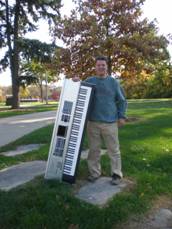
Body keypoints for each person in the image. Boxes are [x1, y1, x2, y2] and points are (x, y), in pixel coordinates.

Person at [73, 56, 127, 185]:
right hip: (93, 122)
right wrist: (76, 82)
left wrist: (122, 116)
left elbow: (122, 101)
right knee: (93, 150)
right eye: (98, 65)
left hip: (110, 122)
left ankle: (116, 174)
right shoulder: (90, 81)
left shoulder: (114, 82)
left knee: (113, 150)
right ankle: (94, 173)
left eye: (103, 65)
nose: (101, 67)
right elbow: (80, 89)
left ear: (106, 66)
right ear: (95, 67)